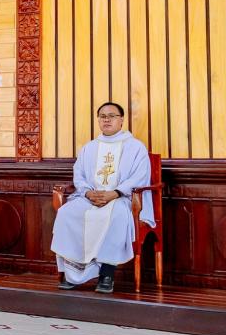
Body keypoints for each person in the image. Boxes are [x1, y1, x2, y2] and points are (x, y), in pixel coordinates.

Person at [50, 103, 152, 293]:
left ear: (121, 120)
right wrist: (88, 192)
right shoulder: (90, 147)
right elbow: (79, 175)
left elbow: (140, 176)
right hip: (91, 197)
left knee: (117, 215)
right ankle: (72, 274)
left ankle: (107, 274)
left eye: (112, 116)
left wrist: (115, 192)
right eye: (103, 116)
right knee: (66, 213)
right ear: (98, 120)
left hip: (121, 197)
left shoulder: (136, 147)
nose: (107, 120)